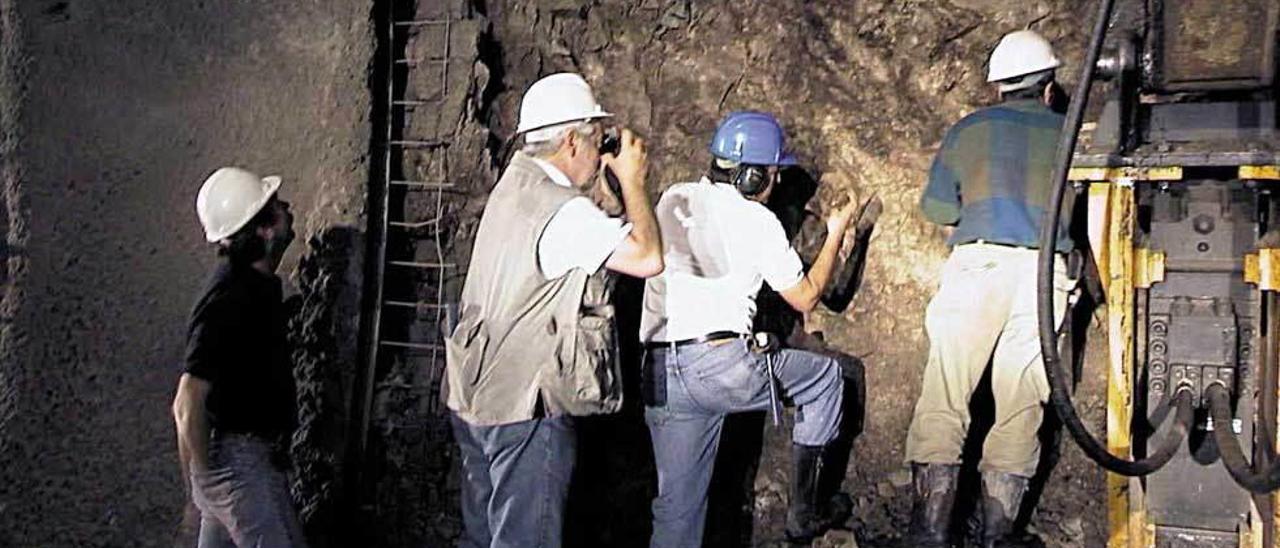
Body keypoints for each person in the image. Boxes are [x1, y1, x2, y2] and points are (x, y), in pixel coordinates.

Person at [442, 72, 663, 548]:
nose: (601, 151)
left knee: (487, 538)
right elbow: (647, 257)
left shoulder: (516, 183)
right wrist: (633, 183)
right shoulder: (562, 212)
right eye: (597, 140)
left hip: (474, 393)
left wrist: (597, 192)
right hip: (523, 410)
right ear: (570, 140)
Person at [640, 111, 861, 546]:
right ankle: (805, 512)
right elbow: (809, 296)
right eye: (773, 175)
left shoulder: (672, 198)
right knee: (827, 378)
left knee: (677, 509)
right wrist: (836, 235)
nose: (775, 185)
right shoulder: (758, 221)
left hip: (661, 370)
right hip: (721, 366)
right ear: (751, 176)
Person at [902, 29, 1074, 548]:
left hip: (977, 268)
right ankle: (997, 535)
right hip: (1044, 276)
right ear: (1048, 88)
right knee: (1023, 401)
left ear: (998, 87)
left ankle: (931, 534)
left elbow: (938, 209)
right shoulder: (1072, 134)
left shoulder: (969, 130)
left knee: (946, 393)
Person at [172, 166, 306, 548]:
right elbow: (186, 404)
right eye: (278, 207)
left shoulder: (253, 288)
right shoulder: (227, 296)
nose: (288, 209)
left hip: (246, 461)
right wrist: (206, 484)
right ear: (264, 230)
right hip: (239, 465)